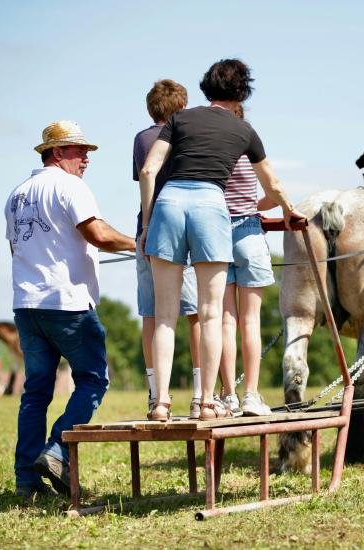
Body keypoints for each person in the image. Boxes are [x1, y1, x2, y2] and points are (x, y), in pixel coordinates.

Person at [139, 58, 305, 421]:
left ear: (206, 86)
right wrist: (290, 210)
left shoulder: (180, 119)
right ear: (243, 92)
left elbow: (149, 170)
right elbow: (272, 184)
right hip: (210, 204)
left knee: (165, 314)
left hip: (168, 202)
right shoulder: (244, 130)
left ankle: (161, 402)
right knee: (211, 313)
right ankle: (206, 402)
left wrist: (148, 224)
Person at [5, 120, 135, 498]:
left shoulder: (16, 194)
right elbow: (98, 234)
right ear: (57, 152)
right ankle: (57, 450)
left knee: (35, 393)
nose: (86, 158)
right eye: (80, 150)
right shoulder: (69, 186)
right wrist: (139, 243)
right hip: (66, 303)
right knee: (94, 379)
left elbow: (16, 249)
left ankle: (26, 481)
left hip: (26, 305)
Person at [133, 79, 202, 420]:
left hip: (145, 231)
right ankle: (200, 393)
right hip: (180, 232)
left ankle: (155, 393)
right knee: (196, 314)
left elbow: (144, 178)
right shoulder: (186, 136)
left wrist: (145, 227)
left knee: (151, 314)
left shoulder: (141, 139)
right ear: (182, 108)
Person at [218, 104, 278, 416]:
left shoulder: (213, 152)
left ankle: (228, 395)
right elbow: (274, 194)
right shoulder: (248, 149)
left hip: (216, 234)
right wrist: (254, 205)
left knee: (225, 321)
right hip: (248, 231)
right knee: (250, 320)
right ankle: (251, 395)